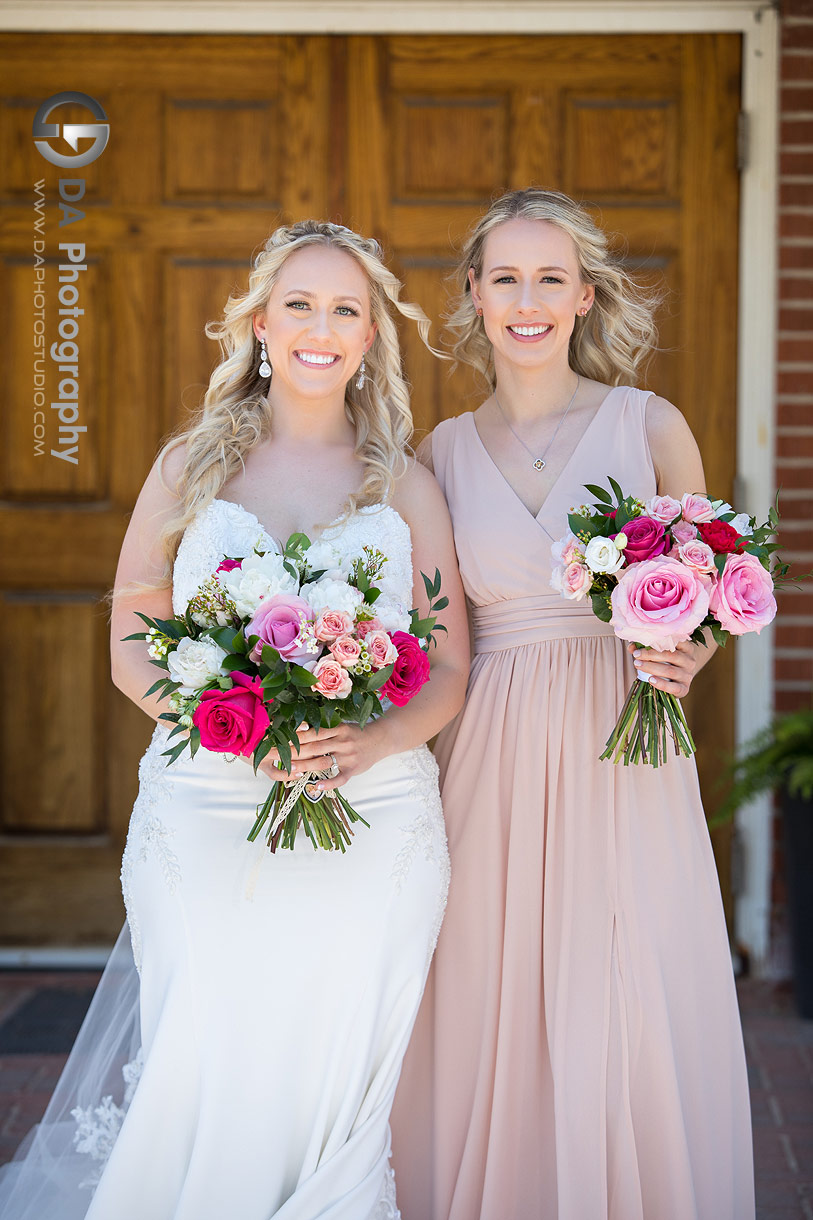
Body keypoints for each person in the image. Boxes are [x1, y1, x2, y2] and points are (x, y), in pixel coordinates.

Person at [0, 220, 469, 1220]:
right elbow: (132, 622)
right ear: (259, 320)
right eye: (299, 302)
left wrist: (375, 736)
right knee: (212, 1042)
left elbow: (449, 663)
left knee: (331, 1054)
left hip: (372, 810)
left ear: (375, 334)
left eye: (347, 308)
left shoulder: (408, 483)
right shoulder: (192, 465)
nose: (321, 326)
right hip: (210, 801)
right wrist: (222, 721)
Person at [390, 189, 755, 1220]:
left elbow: (714, 585)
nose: (528, 299)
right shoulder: (439, 452)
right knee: (488, 982)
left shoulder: (651, 425)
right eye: (506, 277)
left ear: (585, 295)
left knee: (622, 971)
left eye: (551, 277)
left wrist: (691, 653)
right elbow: (432, 634)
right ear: (474, 293)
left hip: (622, 739)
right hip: (490, 747)